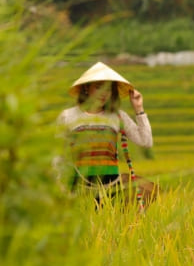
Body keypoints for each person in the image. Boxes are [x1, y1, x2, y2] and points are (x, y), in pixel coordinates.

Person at [56, 62, 153, 202]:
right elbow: (58, 156)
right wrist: (59, 184)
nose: (104, 93)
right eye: (98, 87)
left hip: (112, 188)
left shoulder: (118, 116)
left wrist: (139, 109)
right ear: (86, 88)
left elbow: (146, 141)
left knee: (110, 222)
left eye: (108, 89)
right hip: (78, 187)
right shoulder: (67, 116)